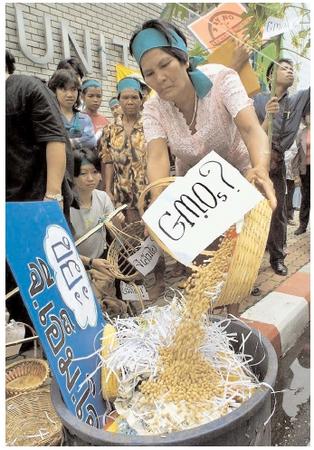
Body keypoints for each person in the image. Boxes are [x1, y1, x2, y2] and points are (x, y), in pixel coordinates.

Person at [129, 20, 276, 210]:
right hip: (196, 197)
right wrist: (157, 198)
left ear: (184, 59)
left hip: (241, 177)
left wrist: (260, 168)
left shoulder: (221, 79)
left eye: (165, 64)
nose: (160, 78)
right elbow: (157, 156)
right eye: (149, 73)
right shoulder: (153, 108)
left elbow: (250, 129)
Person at [6, 49, 72, 331]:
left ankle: (68, 348)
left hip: (38, 202)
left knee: (52, 277)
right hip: (8, 208)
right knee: (16, 283)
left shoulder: (27, 87)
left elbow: (54, 139)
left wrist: (52, 197)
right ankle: (29, 346)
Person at [99, 76, 166, 298]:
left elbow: (161, 157)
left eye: (134, 97)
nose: (130, 101)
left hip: (147, 193)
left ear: (141, 99)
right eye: (125, 97)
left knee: (153, 236)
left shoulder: (150, 126)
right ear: (118, 100)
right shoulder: (110, 130)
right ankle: (135, 281)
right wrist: (107, 189)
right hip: (122, 194)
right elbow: (107, 160)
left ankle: (158, 279)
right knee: (128, 240)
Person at [254, 58, 310, 275]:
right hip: (257, 162)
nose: (290, 71)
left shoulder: (299, 100)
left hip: (278, 165)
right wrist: (268, 115)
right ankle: (252, 260)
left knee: (277, 212)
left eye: (291, 68)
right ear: (270, 76)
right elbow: (252, 133)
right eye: (284, 68)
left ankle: (277, 257)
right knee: (254, 212)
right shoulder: (257, 100)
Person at [70, 148, 127, 315]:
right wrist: (90, 262)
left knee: (107, 302)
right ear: (72, 176)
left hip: (101, 260)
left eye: (95, 172)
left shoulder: (102, 197)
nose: (90, 178)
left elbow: (119, 239)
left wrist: (117, 223)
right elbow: (63, 250)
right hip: (75, 265)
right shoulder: (65, 206)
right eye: (83, 173)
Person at [48, 69, 97, 151]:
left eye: (73, 89)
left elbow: (91, 141)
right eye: (64, 89)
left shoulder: (84, 118)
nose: (70, 95)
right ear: (54, 91)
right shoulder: (50, 117)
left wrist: (67, 143)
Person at [294, 112, 310, 235]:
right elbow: (296, 155)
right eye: (307, 115)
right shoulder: (301, 133)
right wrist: (296, 174)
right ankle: (303, 225)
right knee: (306, 197)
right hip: (306, 170)